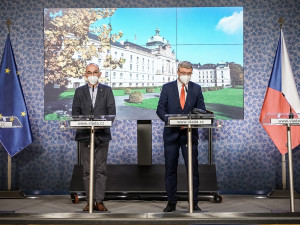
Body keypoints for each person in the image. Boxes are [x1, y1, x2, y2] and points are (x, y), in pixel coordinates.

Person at [156, 61, 206, 212]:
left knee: (193, 170)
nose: (186, 76)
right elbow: (160, 109)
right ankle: (171, 202)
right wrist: (170, 121)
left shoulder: (196, 89)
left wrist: (192, 120)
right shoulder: (167, 87)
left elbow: (201, 109)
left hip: (189, 136)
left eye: (189, 73)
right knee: (170, 169)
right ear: (178, 72)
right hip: (171, 135)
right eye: (184, 73)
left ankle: (194, 202)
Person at [72, 63, 116, 211]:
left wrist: (101, 124)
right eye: (89, 72)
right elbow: (75, 113)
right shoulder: (79, 91)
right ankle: (90, 202)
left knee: (101, 170)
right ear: (85, 75)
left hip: (102, 136)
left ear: (99, 74)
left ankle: (99, 201)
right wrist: (86, 124)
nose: (92, 75)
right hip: (85, 135)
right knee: (87, 171)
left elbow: (112, 112)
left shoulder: (107, 90)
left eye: (95, 72)